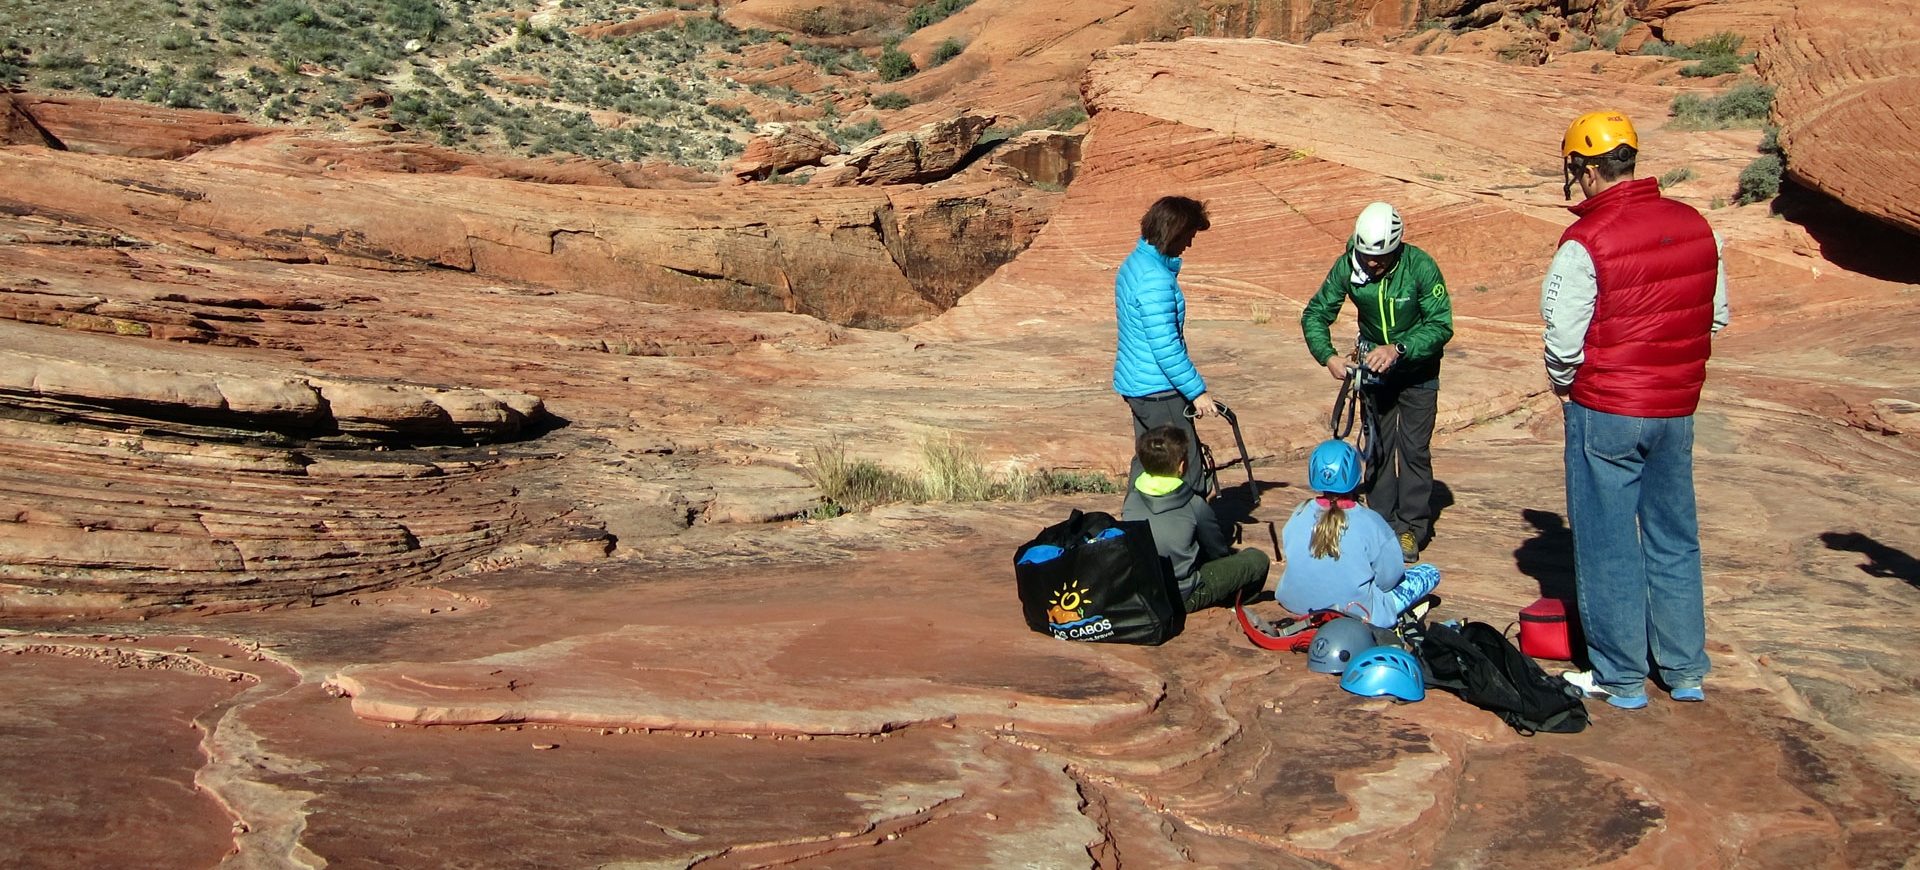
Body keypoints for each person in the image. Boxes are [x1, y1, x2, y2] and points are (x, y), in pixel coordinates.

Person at [1543, 110, 1730, 710]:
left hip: (1607, 406)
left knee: (1606, 541)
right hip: (1677, 409)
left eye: (1576, 169)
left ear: (1588, 169)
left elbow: (1562, 338)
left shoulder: (1587, 239)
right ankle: (1684, 670)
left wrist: (1564, 385)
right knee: (1675, 537)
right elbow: (1716, 314)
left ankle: (1620, 677)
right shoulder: (1696, 225)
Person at [1300, 202, 1454, 563]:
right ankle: (1380, 523)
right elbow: (1316, 313)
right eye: (1367, 255)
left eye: (1381, 257)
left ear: (1397, 247)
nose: (1372, 263)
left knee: (1413, 450)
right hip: (1374, 374)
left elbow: (1440, 325)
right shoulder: (1349, 265)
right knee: (1379, 450)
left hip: (1418, 373)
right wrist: (1328, 356)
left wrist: (1399, 348)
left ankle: (1410, 529)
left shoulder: (1420, 267)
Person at [1115, 195, 1220, 494]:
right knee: (1186, 472)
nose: (1188, 245)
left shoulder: (1134, 262)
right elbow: (1166, 346)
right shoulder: (1155, 279)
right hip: (1160, 392)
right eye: (1188, 236)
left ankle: (1139, 531)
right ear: (1172, 233)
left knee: (1148, 463)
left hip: (1138, 385)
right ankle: (1189, 535)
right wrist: (1197, 392)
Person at [1276, 440, 1438, 628]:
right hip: (1355, 611)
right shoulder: (1371, 521)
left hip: (1295, 601)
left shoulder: (1299, 512)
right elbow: (1390, 579)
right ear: (1356, 476)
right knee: (1429, 572)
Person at [1122, 425, 1270, 612]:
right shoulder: (1194, 504)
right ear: (1182, 466)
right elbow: (1217, 551)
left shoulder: (1131, 500)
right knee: (1257, 560)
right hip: (1182, 596)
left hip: (1144, 592)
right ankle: (1234, 603)